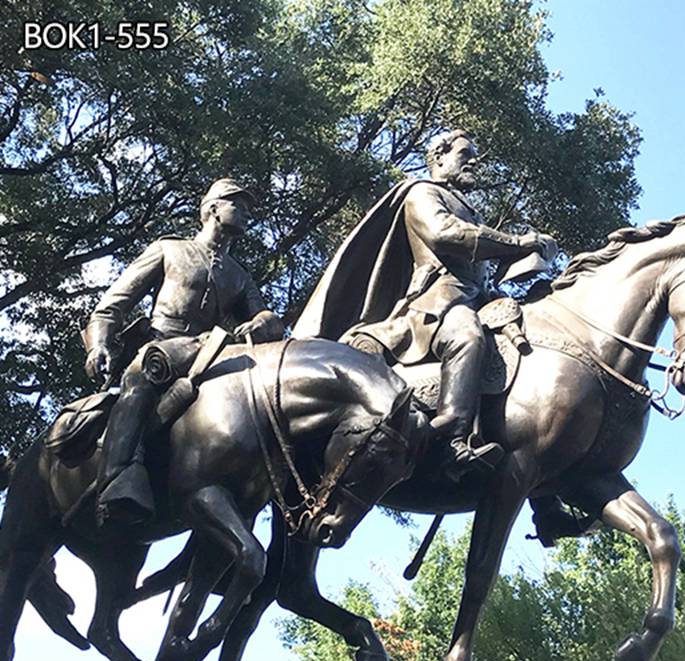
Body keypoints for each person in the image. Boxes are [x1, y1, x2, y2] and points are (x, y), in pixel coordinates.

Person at [295, 130, 557, 475]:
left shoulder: (471, 210)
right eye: (466, 154)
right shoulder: (422, 192)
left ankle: (545, 490)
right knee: (468, 338)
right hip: (438, 303)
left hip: (478, 298)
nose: (474, 161)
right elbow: (446, 235)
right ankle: (452, 439)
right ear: (440, 157)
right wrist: (519, 241)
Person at [83, 178, 283, 524]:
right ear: (213, 209)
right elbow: (113, 304)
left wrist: (264, 322)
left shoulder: (240, 276)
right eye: (238, 204)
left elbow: (266, 316)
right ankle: (115, 482)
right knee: (142, 374)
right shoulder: (170, 249)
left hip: (211, 354)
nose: (248, 213)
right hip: (161, 349)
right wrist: (98, 342)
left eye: (249, 208)